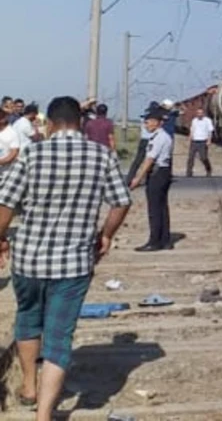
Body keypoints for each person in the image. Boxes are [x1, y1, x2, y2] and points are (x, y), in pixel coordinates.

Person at [0, 95, 132, 419]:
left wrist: (1, 240)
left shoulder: (32, 154)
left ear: (50, 125)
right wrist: (106, 235)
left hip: (29, 260)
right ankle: (44, 414)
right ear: (80, 122)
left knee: (28, 318)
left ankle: (30, 385)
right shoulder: (102, 156)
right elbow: (121, 201)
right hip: (73, 264)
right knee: (59, 336)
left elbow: (5, 205)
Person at [129, 108, 174, 251]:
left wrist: (137, 179)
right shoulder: (162, 136)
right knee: (162, 207)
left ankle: (154, 241)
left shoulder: (158, 138)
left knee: (154, 209)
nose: (146, 125)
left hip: (157, 173)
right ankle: (165, 240)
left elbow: (149, 160)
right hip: (163, 172)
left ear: (156, 123)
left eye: (147, 122)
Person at [187, 107, 214, 178]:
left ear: (203, 113)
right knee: (190, 157)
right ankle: (189, 172)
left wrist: (209, 140)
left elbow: (210, 131)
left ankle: (208, 169)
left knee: (203, 158)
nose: (199, 114)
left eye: (201, 113)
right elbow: (192, 130)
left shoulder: (207, 121)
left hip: (203, 141)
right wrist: (190, 138)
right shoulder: (194, 120)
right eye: (198, 113)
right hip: (194, 141)